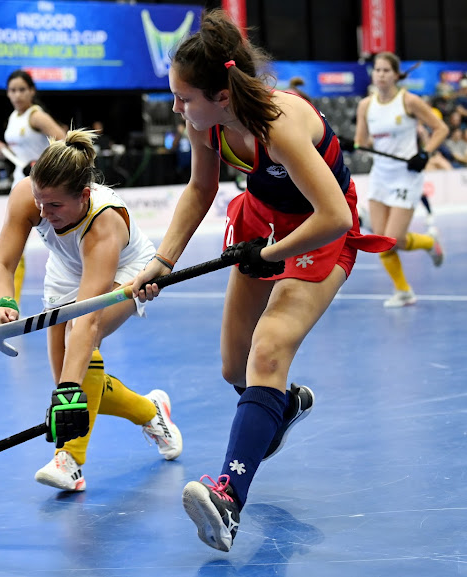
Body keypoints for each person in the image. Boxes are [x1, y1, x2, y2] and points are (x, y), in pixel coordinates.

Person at [129, 9, 395, 552]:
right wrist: (163, 260)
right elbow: (201, 190)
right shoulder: (203, 121)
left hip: (317, 229)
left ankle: (228, 496)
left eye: (184, 97)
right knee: (237, 367)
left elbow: (335, 217)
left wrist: (269, 255)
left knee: (268, 351)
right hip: (261, 222)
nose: (177, 107)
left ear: (222, 95)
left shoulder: (280, 124)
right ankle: (283, 403)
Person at [0, 128, 183, 492]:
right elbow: (2, 265)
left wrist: (66, 391)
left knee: (77, 356)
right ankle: (149, 411)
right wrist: (4, 301)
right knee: (70, 379)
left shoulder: (103, 223)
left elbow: (89, 320)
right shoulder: (27, 196)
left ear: (84, 195)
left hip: (125, 267)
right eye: (39, 202)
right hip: (66, 268)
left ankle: (70, 460)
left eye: (55, 206)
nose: (43, 213)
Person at [353, 51, 449, 307]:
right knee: (380, 241)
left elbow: (441, 129)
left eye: (386, 70)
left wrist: (425, 153)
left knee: (391, 240)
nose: (381, 74)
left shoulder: (409, 101)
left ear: (396, 75)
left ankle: (428, 242)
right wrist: (352, 145)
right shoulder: (365, 105)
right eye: (377, 70)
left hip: (407, 176)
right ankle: (404, 291)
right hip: (380, 176)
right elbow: (361, 142)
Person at [0, 70, 66, 306]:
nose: (16, 95)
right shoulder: (14, 117)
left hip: (43, 190)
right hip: (21, 189)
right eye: (12, 90)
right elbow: (21, 154)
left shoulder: (36, 116)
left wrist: (39, 165)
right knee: (15, 249)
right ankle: (9, 300)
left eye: (22, 89)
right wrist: (4, 150)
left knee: (62, 245)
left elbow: (64, 142)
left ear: (32, 91)